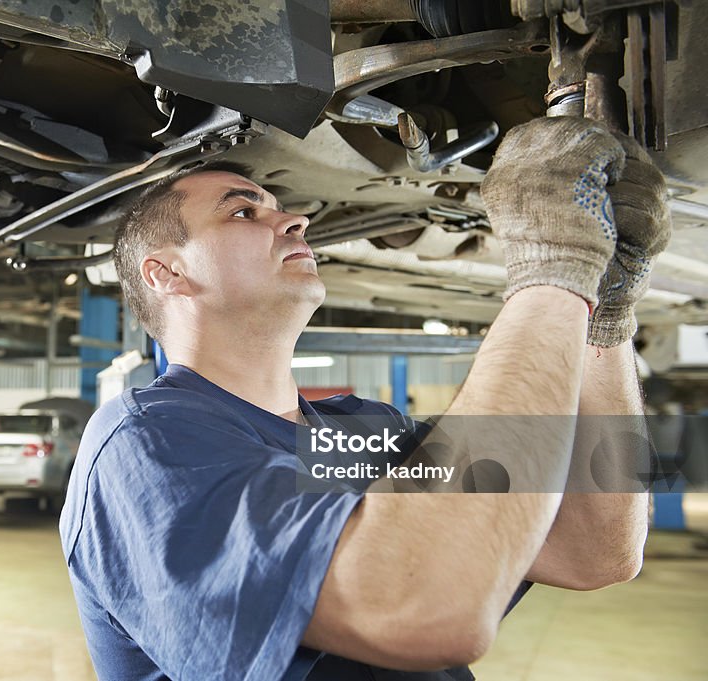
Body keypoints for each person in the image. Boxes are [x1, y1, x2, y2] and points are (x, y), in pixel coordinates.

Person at [58, 117, 671, 680]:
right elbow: (416, 605)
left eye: (279, 209)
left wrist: (606, 312)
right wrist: (555, 270)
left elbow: (597, 548)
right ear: (165, 273)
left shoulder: (368, 431)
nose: (294, 220)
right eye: (243, 213)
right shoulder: (143, 447)